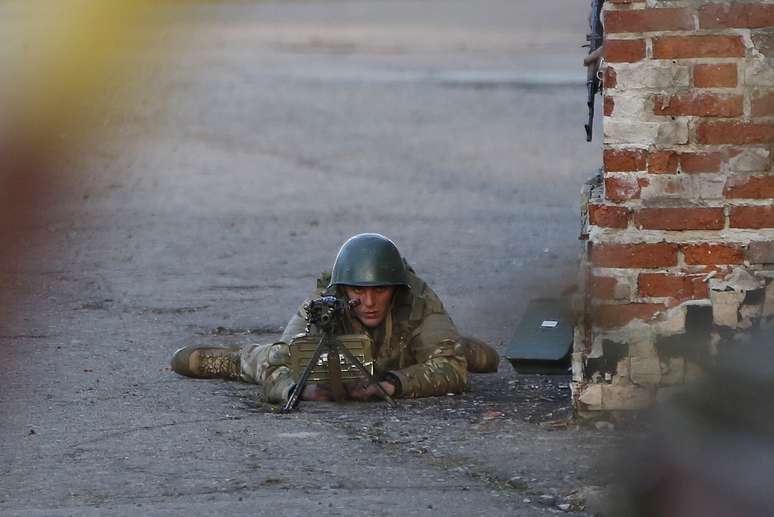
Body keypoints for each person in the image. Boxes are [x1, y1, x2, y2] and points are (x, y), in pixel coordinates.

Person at [170, 233, 499, 404]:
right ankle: (235, 361)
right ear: (342, 289)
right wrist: (294, 391)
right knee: (273, 356)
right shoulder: (323, 305)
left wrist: (393, 384)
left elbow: (452, 371)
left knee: (479, 360)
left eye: (380, 291)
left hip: (400, 355)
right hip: (340, 356)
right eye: (359, 290)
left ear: (396, 289)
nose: (369, 303)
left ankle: (452, 344)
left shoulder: (420, 302)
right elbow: (281, 360)